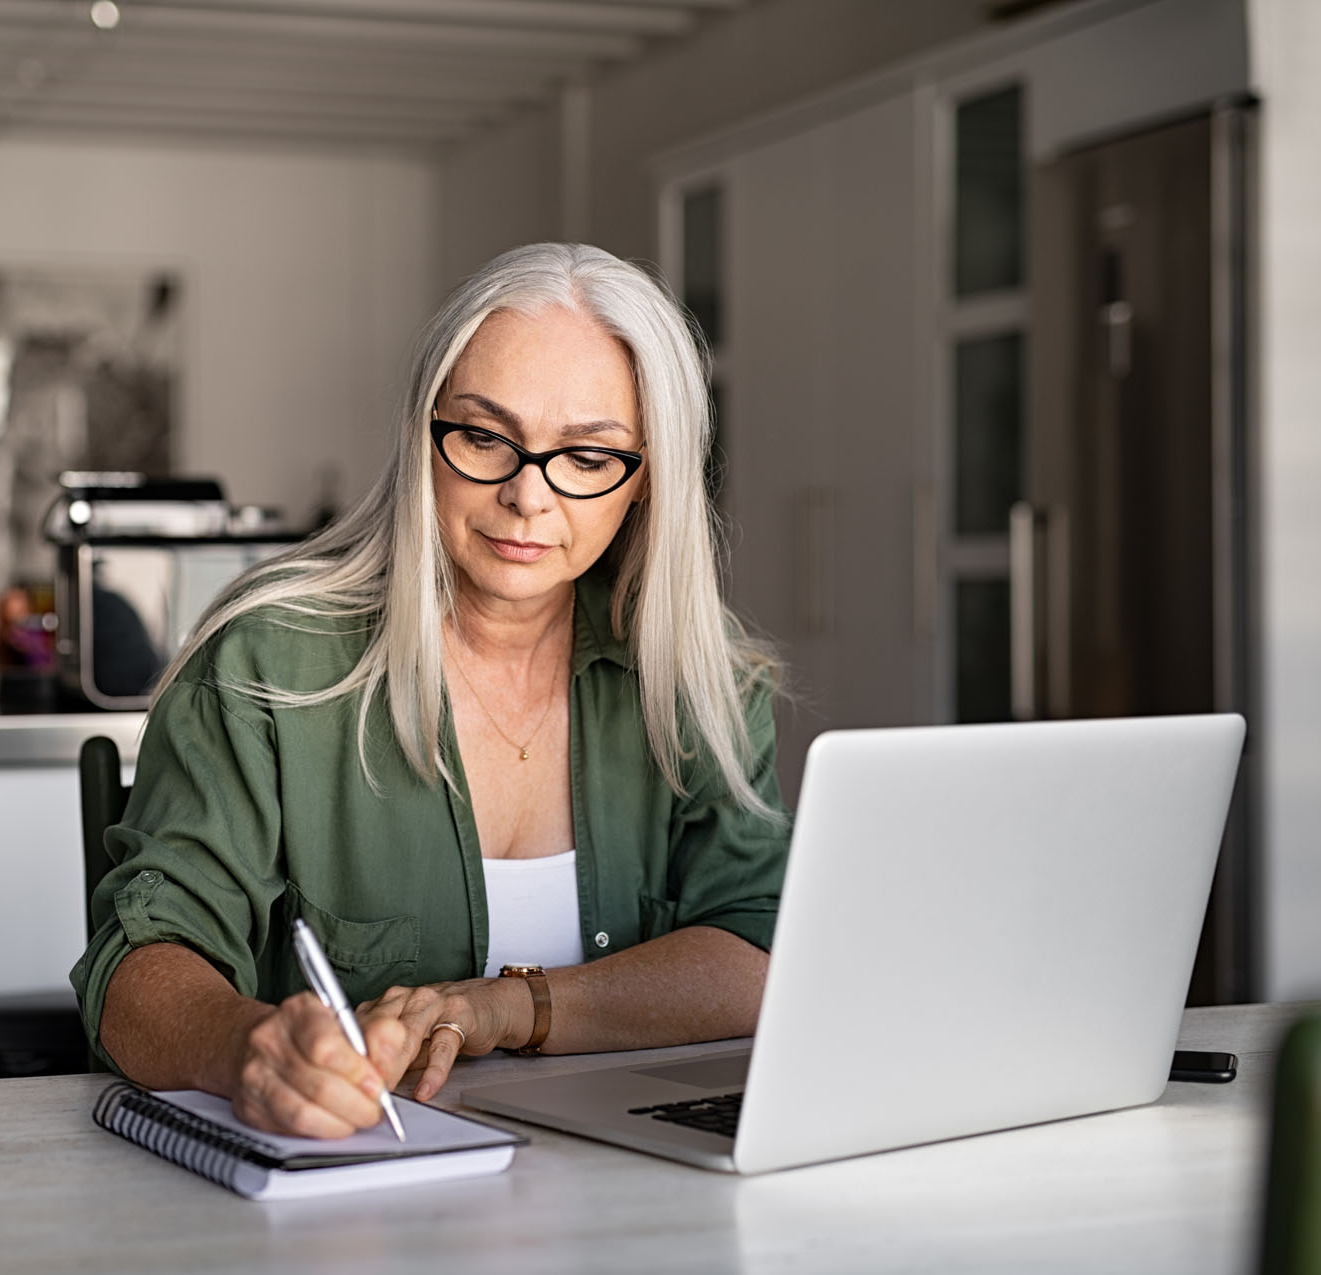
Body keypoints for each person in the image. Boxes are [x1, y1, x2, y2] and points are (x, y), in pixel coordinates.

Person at [70, 242, 789, 1139]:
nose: (529, 496)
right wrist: (244, 1047)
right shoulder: (266, 660)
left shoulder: (700, 676)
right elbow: (138, 966)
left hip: (638, 1180)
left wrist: (505, 1008)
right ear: (424, 435)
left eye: (588, 456)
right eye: (485, 437)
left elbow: (758, 953)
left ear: (647, 481)